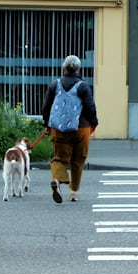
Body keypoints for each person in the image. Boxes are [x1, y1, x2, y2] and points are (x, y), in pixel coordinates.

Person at [41, 55, 98, 204]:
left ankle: (57, 180)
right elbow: (90, 106)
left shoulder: (55, 85)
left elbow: (46, 107)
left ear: (64, 68)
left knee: (59, 158)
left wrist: (47, 124)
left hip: (59, 129)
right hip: (81, 128)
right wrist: (94, 123)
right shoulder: (83, 86)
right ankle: (73, 192)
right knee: (78, 159)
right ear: (78, 69)